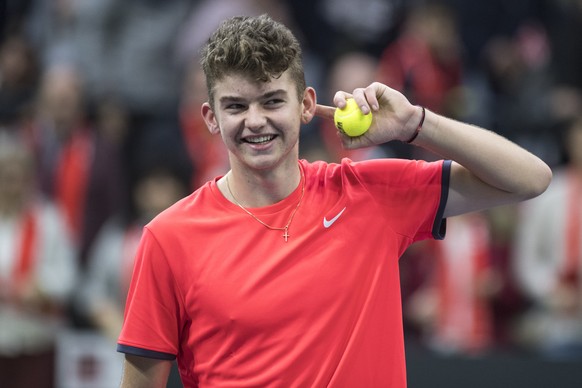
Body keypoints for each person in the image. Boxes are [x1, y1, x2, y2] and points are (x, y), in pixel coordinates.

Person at [117, 14, 552, 387]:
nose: (255, 121)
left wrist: (414, 122)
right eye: (235, 106)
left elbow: (528, 178)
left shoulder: (371, 194)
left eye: (272, 101)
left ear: (307, 105)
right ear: (211, 117)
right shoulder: (168, 238)